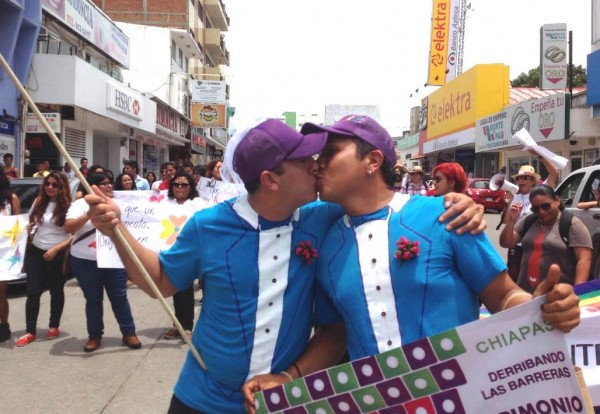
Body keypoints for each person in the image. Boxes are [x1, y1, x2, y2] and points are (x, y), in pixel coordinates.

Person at [84, 118, 485, 413]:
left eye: (319, 156)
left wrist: (458, 204)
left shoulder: (323, 217)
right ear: (270, 179)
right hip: (201, 398)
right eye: (303, 159)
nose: (316, 164)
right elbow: (161, 281)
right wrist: (117, 230)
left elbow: (375, 205)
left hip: (286, 400)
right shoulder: (208, 226)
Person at [241, 115, 581, 411]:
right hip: (374, 405)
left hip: (466, 399)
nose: (317, 164)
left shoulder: (446, 216)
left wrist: (540, 307)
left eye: (330, 153)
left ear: (372, 161)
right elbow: (336, 331)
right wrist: (288, 377)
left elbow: (503, 296)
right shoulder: (327, 244)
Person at [64, 173, 141, 352]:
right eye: (103, 183)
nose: (108, 186)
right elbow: (69, 227)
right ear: (91, 186)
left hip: (114, 259)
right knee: (93, 299)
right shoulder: (80, 204)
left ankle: (129, 332)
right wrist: (89, 214)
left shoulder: (119, 203)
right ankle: (94, 336)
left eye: (109, 183)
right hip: (85, 261)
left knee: (119, 297)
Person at [499, 184, 592, 293]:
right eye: (536, 208)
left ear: (557, 201)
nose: (541, 211)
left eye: (546, 206)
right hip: (525, 295)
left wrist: (578, 293)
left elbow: (584, 260)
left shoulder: (572, 225)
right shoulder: (528, 221)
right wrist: (511, 220)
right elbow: (506, 243)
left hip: (557, 296)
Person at [16, 173, 72, 347]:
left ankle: (54, 325)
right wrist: (30, 227)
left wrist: (56, 249)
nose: (50, 187)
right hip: (36, 250)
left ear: (61, 187)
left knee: (56, 290)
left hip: (56, 253)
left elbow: (74, 235)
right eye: (47, 184)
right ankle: (30, 331)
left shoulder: (69, 207)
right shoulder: (39, 202)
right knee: (33, 291)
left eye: (54, 185)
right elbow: (31, 220)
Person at [162, 172, 204, 341]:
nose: (179, 187)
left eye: (184, 185)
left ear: (191, 187)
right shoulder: (164, 202)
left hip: (190, 252)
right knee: (175, 290)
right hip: (169, 252)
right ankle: (177, 325)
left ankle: (186, 327)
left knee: (185, 290)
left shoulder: (198, 203)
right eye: (176, 184)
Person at [504, 161, 559, 281]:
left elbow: (554, 172)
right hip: (517, 246)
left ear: (533, 181)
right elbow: (506, 222)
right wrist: (508, 203)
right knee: (514, 278)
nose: (521, 181)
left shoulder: (540, 193)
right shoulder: (515, 196)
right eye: (519, 178)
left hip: (535, 244)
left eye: (525, 178)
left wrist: (539, 155)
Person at [0, 169, 21, 342]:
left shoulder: (11, 200)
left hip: (3, 252)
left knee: (0, 293)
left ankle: (3, 325)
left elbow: (18, 225)